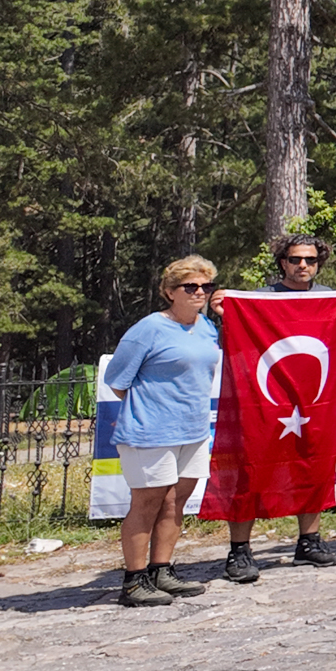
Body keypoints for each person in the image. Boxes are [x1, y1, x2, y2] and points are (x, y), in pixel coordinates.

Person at [212, 233, 336, 582]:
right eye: (296, 259)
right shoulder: (259, 299)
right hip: (262, 402)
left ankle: (309, 542)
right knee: (250, 471)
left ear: (319, 263)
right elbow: (234, 344)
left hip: (314, 402)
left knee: (312, 464)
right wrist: (226, 314)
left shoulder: (331, 298)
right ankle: (239, 551)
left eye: (310, 260)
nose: (303, 266)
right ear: (282, 262)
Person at [107, 256, 222, 606]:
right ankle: (133, 580)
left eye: (206, 286)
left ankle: (162, 569)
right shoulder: (149, 329)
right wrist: (152, 407)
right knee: (146, 504)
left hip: (194, 430)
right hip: (150, 432)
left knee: (176, 503)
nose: (200, 292)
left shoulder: (205, 326)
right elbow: (116, 380)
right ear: (170, 292)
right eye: (191, 286)